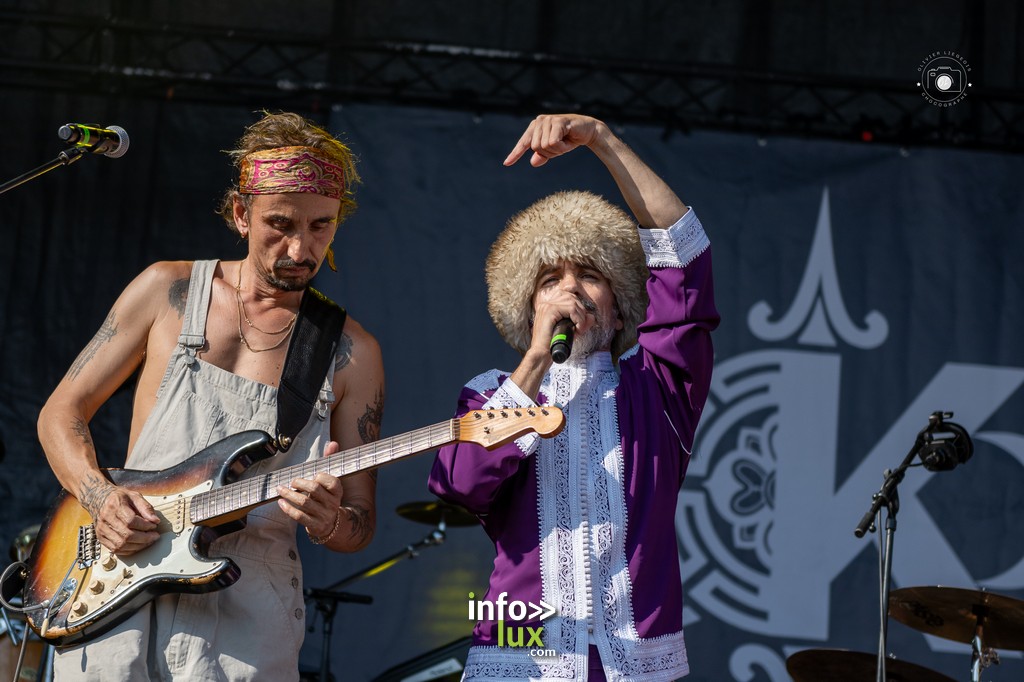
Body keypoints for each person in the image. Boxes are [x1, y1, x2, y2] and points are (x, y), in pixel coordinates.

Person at [36, 111, 385, 680]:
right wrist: (100, 499)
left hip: (250, 613)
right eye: (280, 224)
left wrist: (328, 521)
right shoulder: (167, 289)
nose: (301, 247)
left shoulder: (354, 352)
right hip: (120, 579)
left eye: (321, 226)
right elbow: (60, 412)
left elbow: (360, 523)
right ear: (241, 213)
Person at [428, 113, 719, 680]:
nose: (569, 290)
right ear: (528, 308)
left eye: (589, 274)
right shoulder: (489, 392)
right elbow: (461, 483)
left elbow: (684, 259)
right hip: (519, 656)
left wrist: (603, 141)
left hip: (634, 664)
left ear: (620, 307)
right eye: (549, 280)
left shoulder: (659, 386)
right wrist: (536, 360)